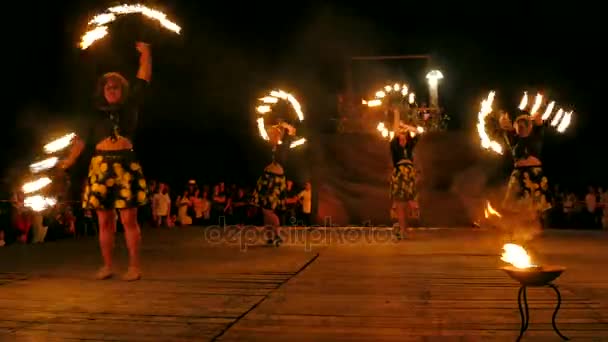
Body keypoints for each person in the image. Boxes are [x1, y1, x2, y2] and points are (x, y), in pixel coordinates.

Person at [60, 42, 152, 281]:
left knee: (128, 219)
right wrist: (67, 162)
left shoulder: (131, 105)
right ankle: (108, 266)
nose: (111, 90)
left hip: (125, 164)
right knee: (104, 220)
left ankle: (134, 267)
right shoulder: (94, 113)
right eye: (108, 87)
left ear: (122, 89)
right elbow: (80, 141)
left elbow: (143, 77)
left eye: (116, 87)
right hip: (100, 166)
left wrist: (146, 54)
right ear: (102, 90)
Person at [499, 109, 551, 230]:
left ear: (529, 126)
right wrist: (503, 117)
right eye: (519, 125)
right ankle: (517, 226)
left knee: (536, 202)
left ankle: (536, 227)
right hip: (519, 173)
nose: (521, 127)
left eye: (524, 125)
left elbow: (539, 121)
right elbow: (505, 126)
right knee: (515, 202)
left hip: (535, 172)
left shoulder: (537, 135)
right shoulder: (513, 139)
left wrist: (536, 114)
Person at [389, 125, 420, 240]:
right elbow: (394, 135)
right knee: (400, 205)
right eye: (400, 133)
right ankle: (402, 231)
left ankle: (404, 229)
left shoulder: (410, 145)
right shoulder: (394, 145)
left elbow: (417, 133)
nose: (402, 135)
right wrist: (398, 127)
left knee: (407, 205)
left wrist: (406, 126)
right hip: (399, 175)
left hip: (409, 176)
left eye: (404, 133)